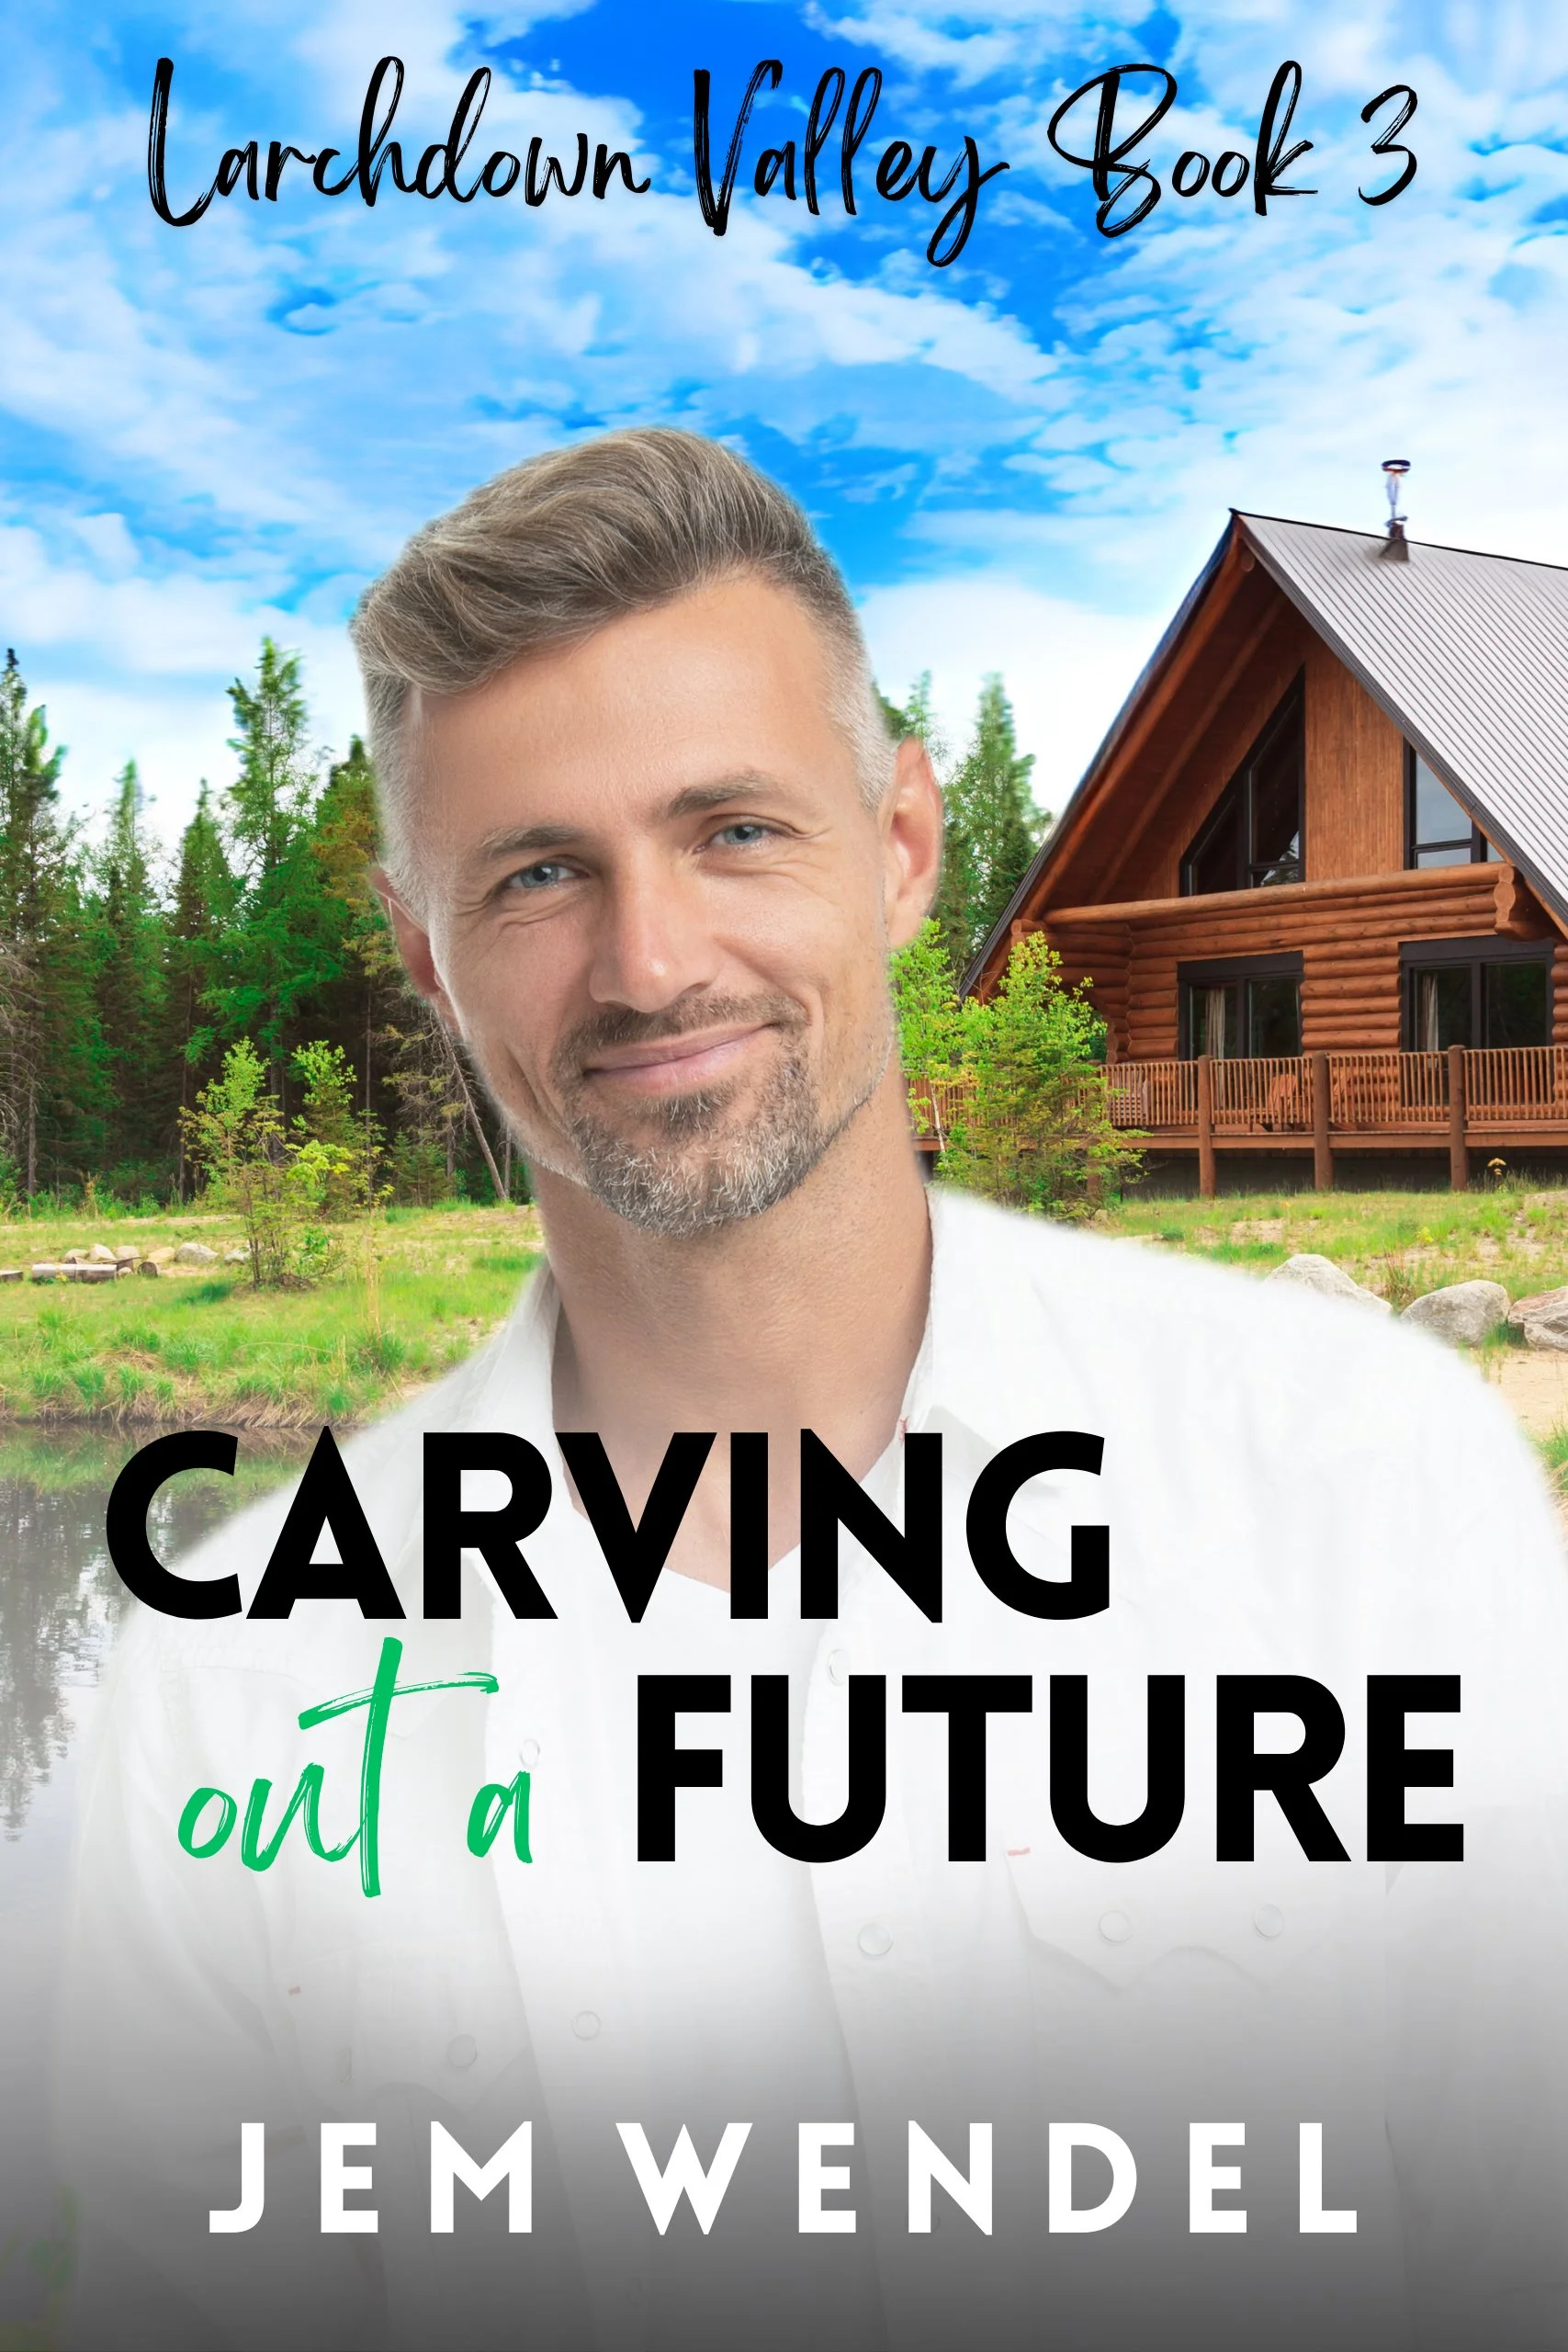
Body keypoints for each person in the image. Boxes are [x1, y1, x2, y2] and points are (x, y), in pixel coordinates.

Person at [58, 431, 1568, 2352]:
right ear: (428, 957)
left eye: (735, 828)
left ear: (905, 846)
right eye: (536, 874)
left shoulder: (1360, 1492)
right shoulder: (227, 1696)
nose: (652, 958)